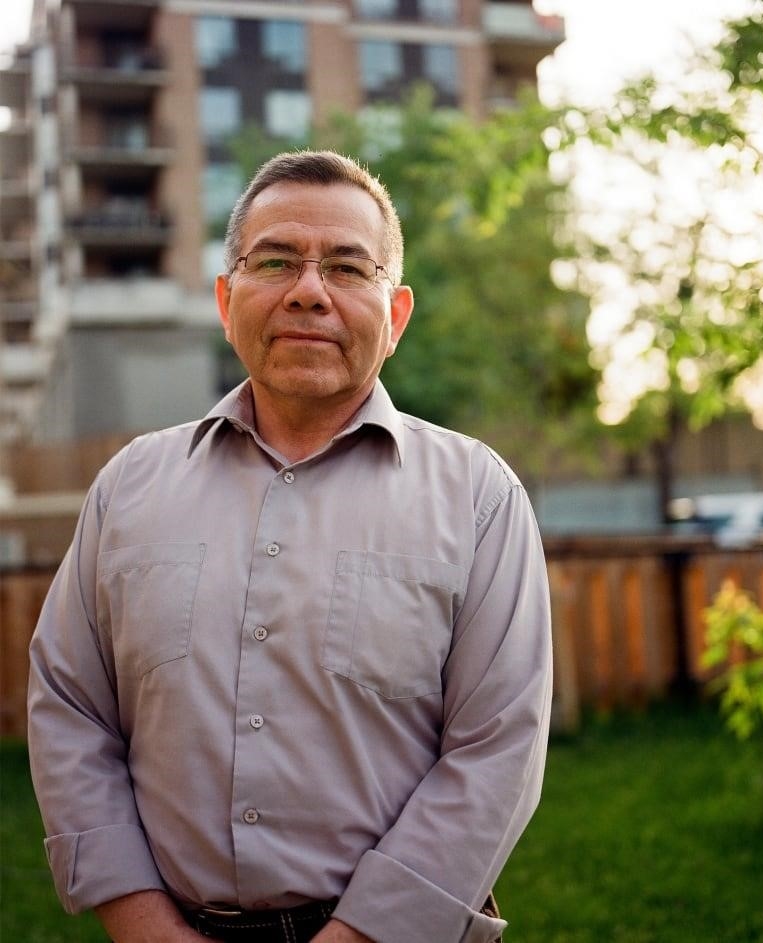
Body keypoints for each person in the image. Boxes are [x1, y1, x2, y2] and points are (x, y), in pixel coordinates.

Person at [28, 150, 552, 943]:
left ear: (397, 313)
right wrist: (145, 926)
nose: (310, 290)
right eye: (276, 260)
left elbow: (498, 751)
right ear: (225, 297)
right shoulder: (127, 487)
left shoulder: (479, 497)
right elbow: (70, 710)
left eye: (348, 266)